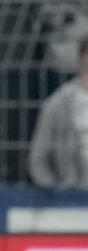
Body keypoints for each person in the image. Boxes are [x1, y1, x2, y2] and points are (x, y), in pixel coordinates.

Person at [29, 37, 88, 188]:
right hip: (73, 191)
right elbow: (38, 159)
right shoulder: (58, 104)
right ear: (83, 58)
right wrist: (58, 194)